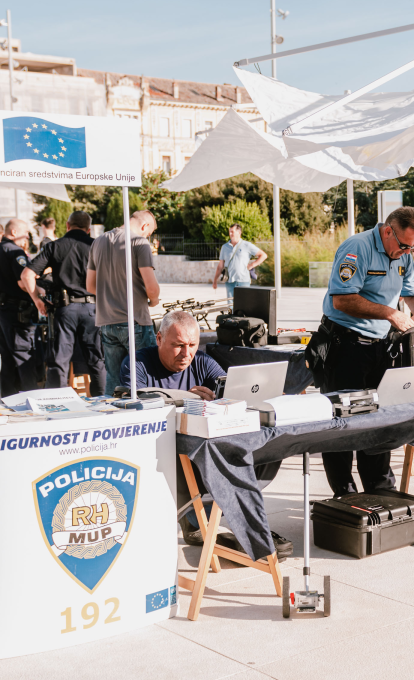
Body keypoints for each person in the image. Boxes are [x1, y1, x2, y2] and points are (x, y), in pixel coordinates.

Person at [120, 310, 290, 555]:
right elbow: (133, 405)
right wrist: (185, 399)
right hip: (161, 453)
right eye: (178, 345)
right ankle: (200, 519)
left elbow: (229, 389)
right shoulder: (138, 363)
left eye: (192, 345)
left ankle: (222, 522)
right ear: (159, 339)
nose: (186, 353)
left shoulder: (201, 361)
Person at [314, 207, 414, 497]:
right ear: (388, 231)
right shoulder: (357, 248)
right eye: (403, 246)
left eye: (413, 247)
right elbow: (342, 300)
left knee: (380, 420)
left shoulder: (404, 253)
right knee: (342, 422)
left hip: (380, 348)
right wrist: (389, 313)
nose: (407, 253)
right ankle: (345, 495)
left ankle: (380, 489)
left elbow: (413, 294)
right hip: (345, 346)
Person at [21, 211, 105, 395]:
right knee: (96, 360)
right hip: (92, 309)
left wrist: (37, 300)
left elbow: (26, 275)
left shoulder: (54, 246)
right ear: (88, 229)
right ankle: (102, 401)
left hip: (65, 310)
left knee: (59, 361)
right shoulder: (96, 246)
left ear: (67, 226)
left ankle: (57, 402)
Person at [87, 210, 161, 395]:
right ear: (145, 226)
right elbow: (152, 288)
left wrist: (111, 295)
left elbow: (90, 286)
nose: (148, 236)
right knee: (147, 373)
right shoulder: (139, 242)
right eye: (149, 232)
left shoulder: (98, 241)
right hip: (135, 320)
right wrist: (154, 300)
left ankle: (111, 410)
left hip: (106, 322)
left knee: (113, 377)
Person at [0, 218, 39, 396]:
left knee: (5, 357)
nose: (27, 238)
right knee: (23, 353)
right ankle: (32, 397)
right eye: (26, 234)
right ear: (14, 232)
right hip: (14, 309)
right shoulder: (15, 252)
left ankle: (9, 398)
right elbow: (22, 282)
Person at [211, 224, 267, 298]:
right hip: (229, 282)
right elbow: (220, 266)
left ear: (239, 232)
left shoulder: (247, 245)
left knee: (244, 303)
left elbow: (263, 255)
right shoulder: (224, 247)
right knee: (231, 304)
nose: (230, 234)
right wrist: (215, 280)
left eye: (232, 232)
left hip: (243, 281)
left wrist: (252, 265)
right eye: (229, 232)